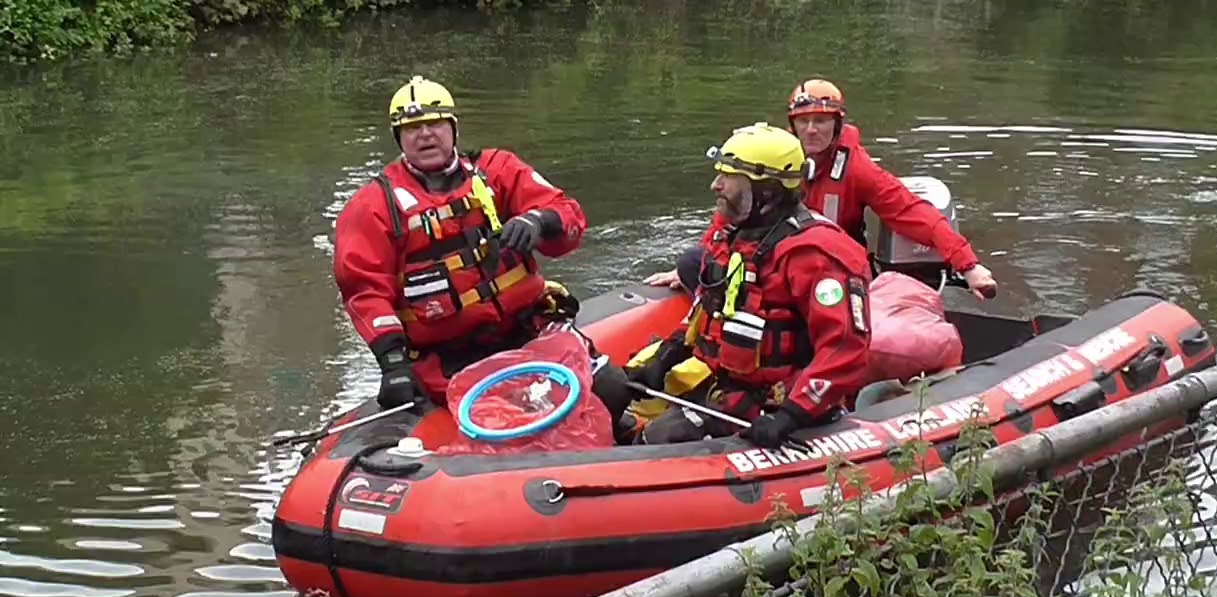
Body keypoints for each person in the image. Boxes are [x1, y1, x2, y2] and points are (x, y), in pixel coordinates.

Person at [333, 75, 632, 432]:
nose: (425, 134)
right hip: (450, 358)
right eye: (412, 128)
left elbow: (567, 213)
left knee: (612, 388)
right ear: (398, 138)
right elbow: (365, 292)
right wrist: (393, 365)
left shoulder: (496, 171)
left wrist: (537, 222)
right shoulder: (374, 206)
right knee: (507, 426)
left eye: (434, 124)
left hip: (527, 330)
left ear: (453, 128)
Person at [627, 123, 873, 449]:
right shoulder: (731, 239)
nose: (716, 185)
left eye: (728, 178)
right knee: (618, 400)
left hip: (783, 405)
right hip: (728, 386)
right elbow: (707, 312)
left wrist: (788, 416)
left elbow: (845, 348)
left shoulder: (816, 255)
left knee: (660, 437)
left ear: (766, 192)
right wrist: (665, 359)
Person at [645, 78, 998, 300]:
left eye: (821, 122)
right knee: (694, 263)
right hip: (778, 265)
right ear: (792, 126)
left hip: (833, 273)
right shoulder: (772, 161)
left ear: (837, 124)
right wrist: (696, 263)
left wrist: (968, 265)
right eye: (804, 122)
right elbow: (730, 214)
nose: (812, 130)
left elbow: (912, 213)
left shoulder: (856, 169)